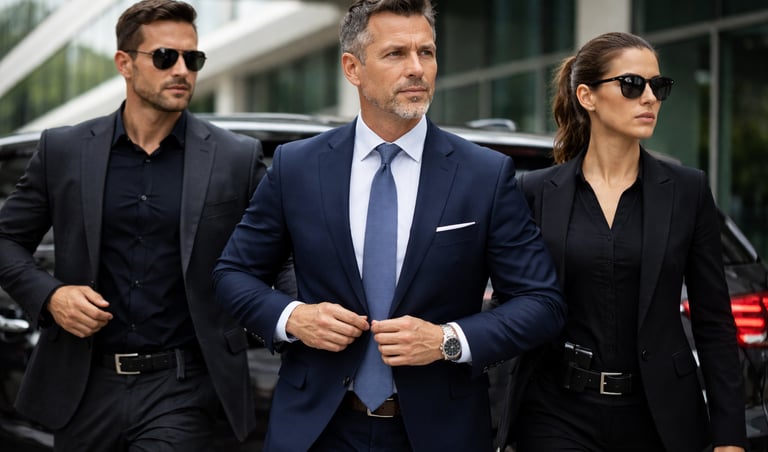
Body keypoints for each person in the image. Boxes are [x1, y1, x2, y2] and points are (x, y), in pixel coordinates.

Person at [212, 0, 565, 450]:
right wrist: (294, 318)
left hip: (439, 431)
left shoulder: (484, 174)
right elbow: (233, 273)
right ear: (352, 68)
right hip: (317, 428)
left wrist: (446, 340)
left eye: (426, 52)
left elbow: (541, 303)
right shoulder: (297, 166)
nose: (417, 68)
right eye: (396, 53)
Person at [0, 0, 284, 450]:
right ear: (125, 63)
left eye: (193, 59)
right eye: (165, 57)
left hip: (183, 386)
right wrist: (51, 296)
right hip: (82, 386)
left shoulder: (235, 157)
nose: (182, 70)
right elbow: (5, 239)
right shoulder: (64, 151)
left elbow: (280, 253)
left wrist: (299, 315)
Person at [508, 32, 746, 451]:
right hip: (557, 412)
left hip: (660, 415)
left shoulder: (687, 191)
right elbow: (512, 301)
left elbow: (714, 322)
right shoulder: (536, 192)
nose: (650, 98)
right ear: (587, 96)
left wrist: (730, 438)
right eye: (633, 84)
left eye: (658, 86)